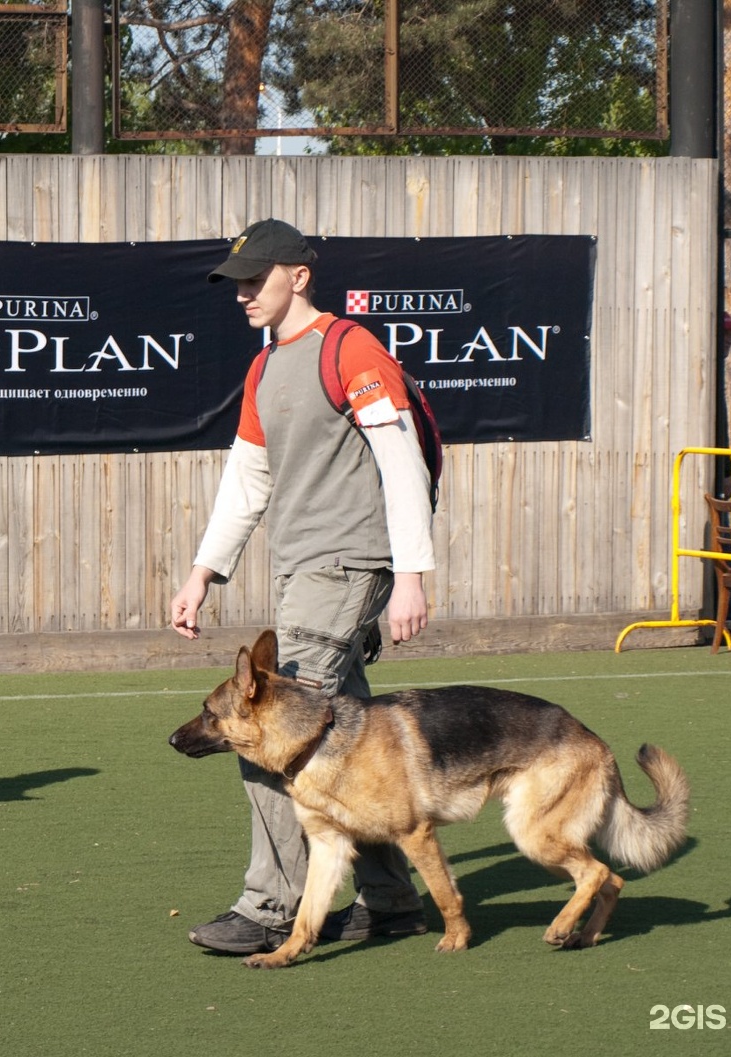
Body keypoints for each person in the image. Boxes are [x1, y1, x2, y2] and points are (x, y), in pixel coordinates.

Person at [169, 218, 436, 954]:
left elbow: (402, 460)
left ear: (300, 274)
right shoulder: (264, 368)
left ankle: (273, 905)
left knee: (266, 732)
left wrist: (411, 574)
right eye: (237, 282)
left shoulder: (352, 349)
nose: (244, 294)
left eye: (257, 279)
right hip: (300, 571)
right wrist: (203, 572)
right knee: (351, 740)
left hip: (346, 566)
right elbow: (247, 482)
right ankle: (390, 902)